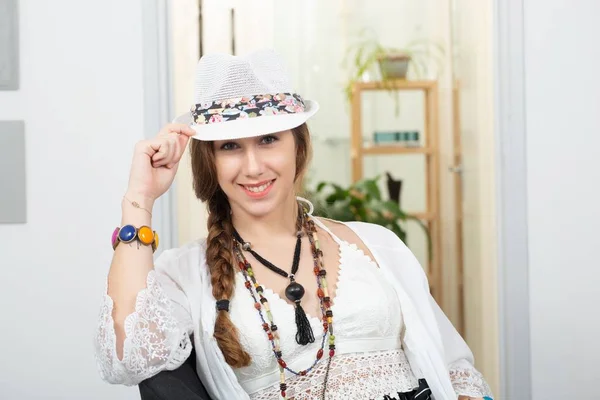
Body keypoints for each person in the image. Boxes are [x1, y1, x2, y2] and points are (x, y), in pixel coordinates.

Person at [94, 49, 494, 400]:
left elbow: (455, 368)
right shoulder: (184, 275)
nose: (253, 167)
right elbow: (130, 358)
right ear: (209, 161)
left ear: (299, 147)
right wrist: (139, 201)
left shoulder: (375, 243)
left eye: (269, 139)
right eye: (230, 146)